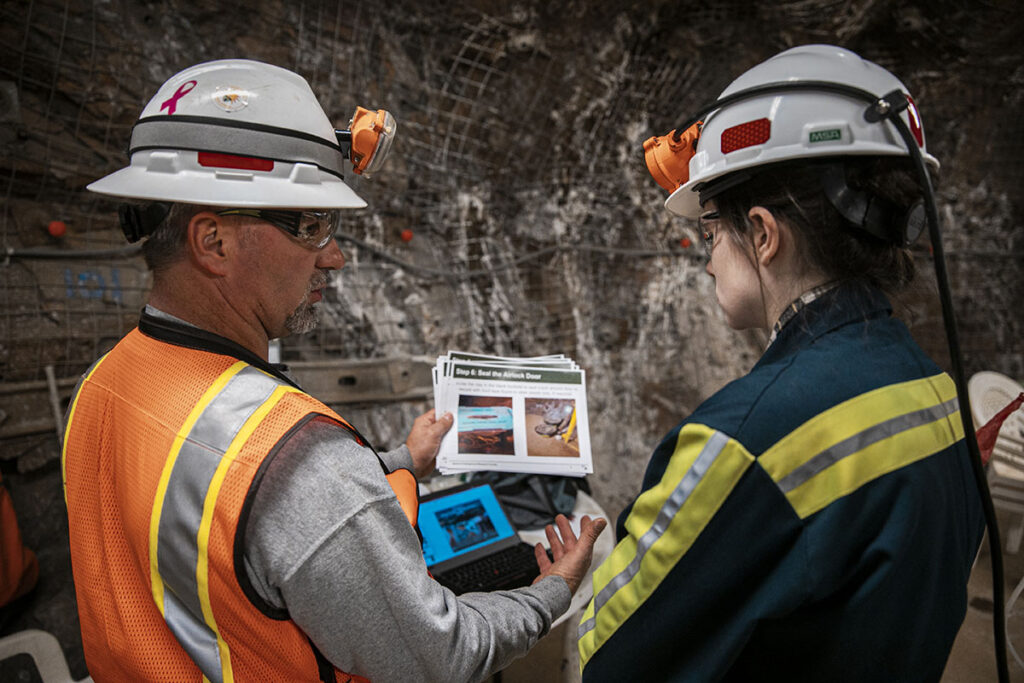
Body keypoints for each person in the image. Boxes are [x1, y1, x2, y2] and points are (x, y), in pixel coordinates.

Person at [61, 59, 605, 683]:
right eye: (313, 226)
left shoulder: (102, 385)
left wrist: (401, 460)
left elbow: (220, 531)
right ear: (213, 243)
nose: (336, 257)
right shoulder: (303, 463)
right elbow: (444, 657)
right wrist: (553, 590)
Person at [578, 45, 985, 681]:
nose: (708, 258)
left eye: (711, 231)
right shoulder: (933, 389)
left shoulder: (744, 438)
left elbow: (609, 650)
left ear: (764, 234)